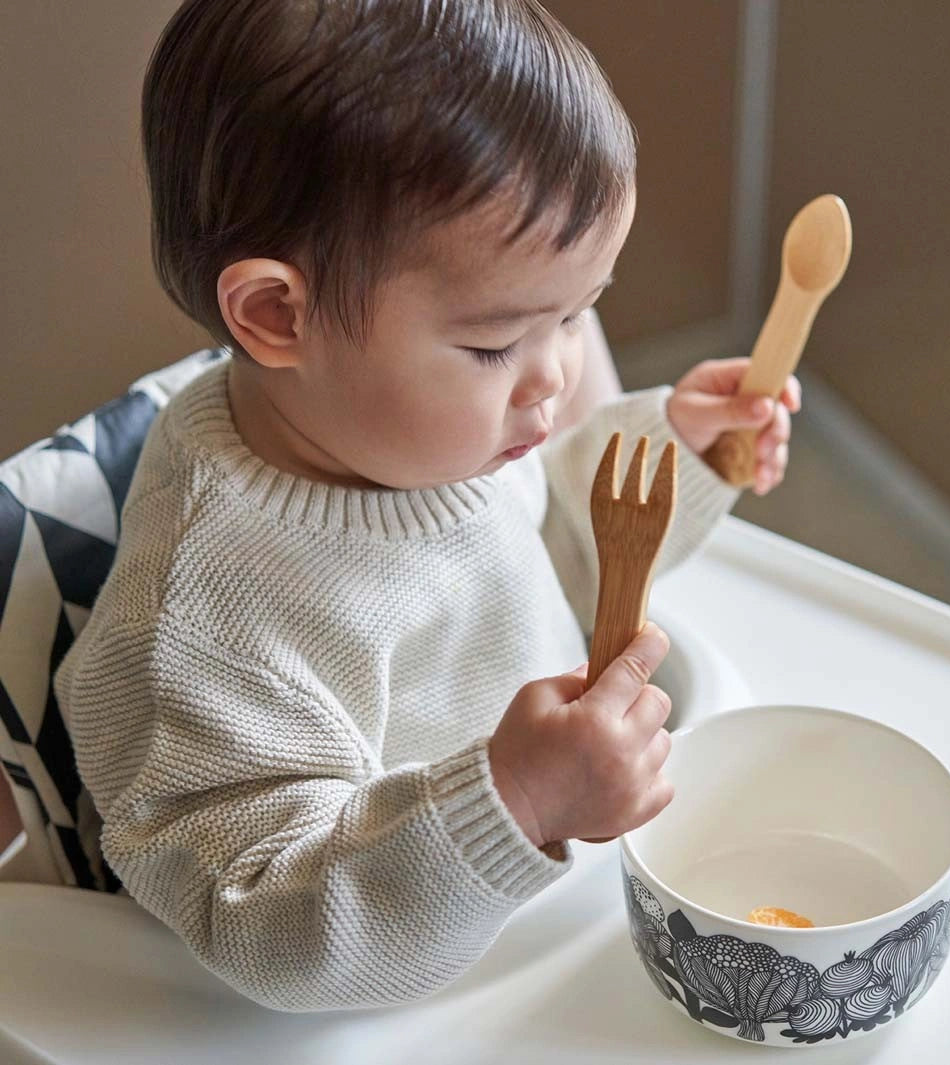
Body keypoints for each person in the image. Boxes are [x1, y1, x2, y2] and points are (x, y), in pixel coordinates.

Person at [56, 0, 800, 1011]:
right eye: (498, 342)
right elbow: (265, 921)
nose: (555, 376)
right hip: (402, 988)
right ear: (279, 316)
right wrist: (514, 801)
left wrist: (680, 452)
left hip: (543, 902)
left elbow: (546, 563)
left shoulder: (418, 430)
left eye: (575, 314)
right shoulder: (204, 621)